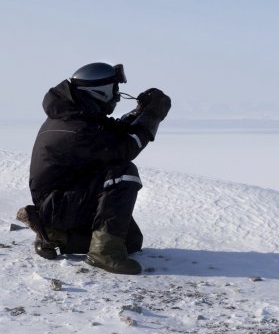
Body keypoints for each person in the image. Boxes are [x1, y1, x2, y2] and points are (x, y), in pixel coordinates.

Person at [17, 62, 171, 275]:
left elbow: (111, 133)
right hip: (59, 205)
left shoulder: (73, 114)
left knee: (131, 242)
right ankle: (103, 253)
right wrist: (152, 116)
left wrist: (140, 112)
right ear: (100, 91)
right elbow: (123, 149)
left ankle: (56, 237)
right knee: (123, 173)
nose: (117, 96)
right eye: (114, 89)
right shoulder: (74, 127)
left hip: (64, 200)